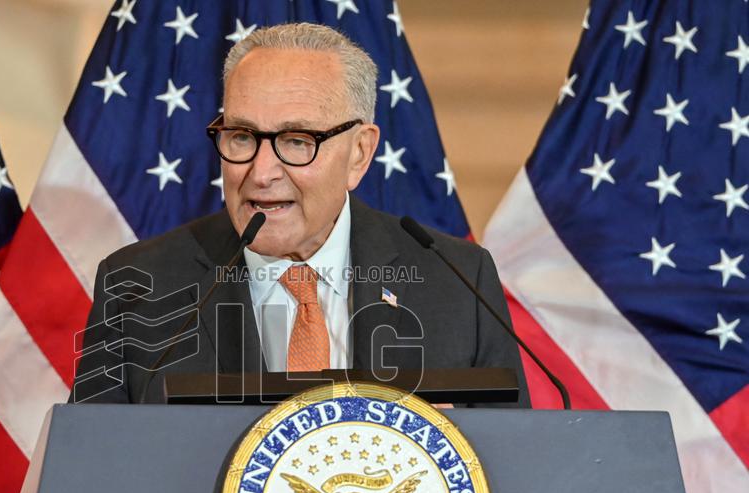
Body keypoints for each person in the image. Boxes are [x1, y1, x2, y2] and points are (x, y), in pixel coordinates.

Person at [72, 23, 529, 408]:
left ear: (359, 153)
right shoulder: (137, 288)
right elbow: (92, 467)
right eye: (242, 136)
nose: (261, 173)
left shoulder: (459, 283)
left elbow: (509, 467)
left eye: (296, 141)